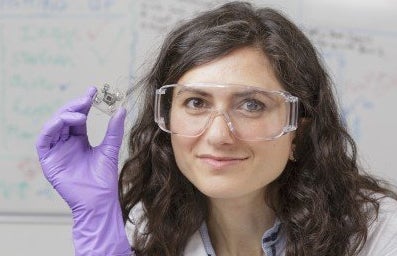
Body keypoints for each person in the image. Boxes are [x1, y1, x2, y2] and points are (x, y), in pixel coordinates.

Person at [35, 1, 397, 256]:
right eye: (196, 103)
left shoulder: (381, 235)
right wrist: (100, 230)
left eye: (252, 105)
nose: (218, 135)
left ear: (298, 133)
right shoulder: (148, 229)